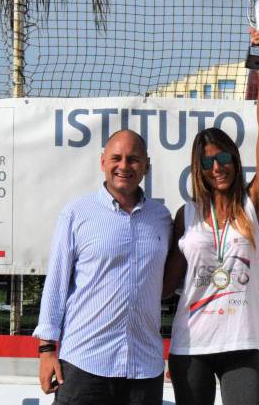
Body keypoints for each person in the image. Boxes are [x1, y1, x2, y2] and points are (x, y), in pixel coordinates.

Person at [162, 25, 259, 404]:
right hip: (190, 341)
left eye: (224, 157)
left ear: (234, 159)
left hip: (241, 341)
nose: (218, 167)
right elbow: (168, 284)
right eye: (209, 161)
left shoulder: (253, 202)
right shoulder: (187, 214)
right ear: (199, 168)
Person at [33, 129, 173, 405]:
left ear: (146, 165)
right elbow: (56, 284)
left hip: (144, 367)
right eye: (116, 158)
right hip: (85, 364)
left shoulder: (162, 218)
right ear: (102, 163)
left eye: (133, 159)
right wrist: (47, 349)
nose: (124, 166)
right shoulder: (76, 213)